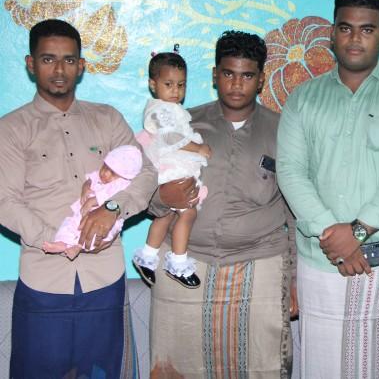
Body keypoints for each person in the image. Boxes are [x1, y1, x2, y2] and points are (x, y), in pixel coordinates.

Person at [277, 0, 379, 377]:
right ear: (332, 34)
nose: (355, 38)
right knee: (324, 364)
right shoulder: (304, 98)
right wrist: (332, 235)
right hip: (323, 257)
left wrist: (357, 232)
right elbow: (291, 170)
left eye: (367, 29)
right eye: (346, 28)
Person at [0, 19, 157, 378]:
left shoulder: (107, 119)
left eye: (69, 60)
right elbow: (5, 201)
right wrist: (56, 239)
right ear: (30, 63)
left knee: (101, 373)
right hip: (43, 282)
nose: (59, 70)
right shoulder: (11, 128)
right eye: (48, 59)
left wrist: (112, 209)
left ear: (81, 66)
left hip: (104, 279)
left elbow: (146, 173)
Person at [147, 30, 297, 378]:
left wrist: (294, 280)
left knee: (261, 365)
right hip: (186, 261)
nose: (236, 84)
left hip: (260, 262)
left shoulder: (284, 130)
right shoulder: (182, 126)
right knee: (176, 365)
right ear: (215, 75)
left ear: (261, 79)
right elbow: (144, 183)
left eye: (247, 76)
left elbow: (293, 211)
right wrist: (160, 199)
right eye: (228, 73)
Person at [133, 50, 211, 289]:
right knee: (188, 214)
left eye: (181, 84)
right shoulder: (158, 110)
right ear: (152, 84)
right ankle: (178, 262)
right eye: (168, 84)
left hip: (172, 166)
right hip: (170, 168)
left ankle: (147, 256)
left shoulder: (171, 108)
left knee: (165, 215)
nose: (176, 90)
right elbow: (169, 137)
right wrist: (198, 148)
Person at [44, 144, 143, 260]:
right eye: (105, 167)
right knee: (70, 223)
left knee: (98, 234)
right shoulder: (99, 175)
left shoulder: (123, 183)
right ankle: (62, 243)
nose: (105, 173)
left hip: (108, 220)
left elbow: (112, 195)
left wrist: (93, 201)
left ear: (124, 176)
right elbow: (90, 179)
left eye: (112, 173)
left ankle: (78, 247)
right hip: (85, 212)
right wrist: (85, 187)